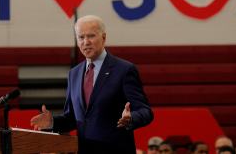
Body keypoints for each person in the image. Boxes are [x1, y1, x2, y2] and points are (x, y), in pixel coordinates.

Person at [30, 15, 153, 154]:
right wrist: (52, 122)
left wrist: (131, 118)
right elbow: (72, 118)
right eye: (81, 37)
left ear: (104, 37)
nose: (86, 42)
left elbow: (146, 112)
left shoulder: (124, 70)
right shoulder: (74, 74)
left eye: (91, 36)